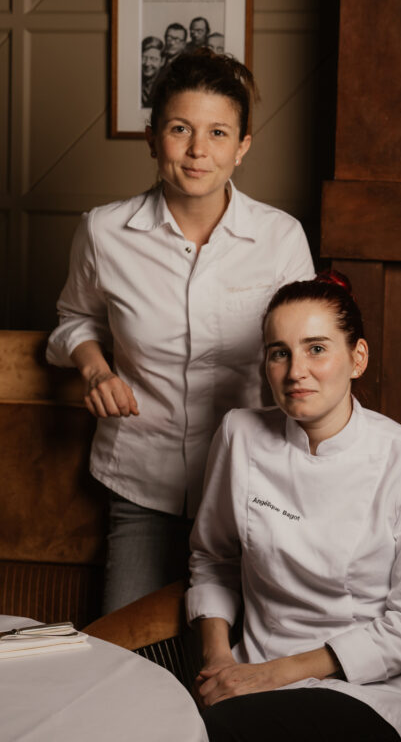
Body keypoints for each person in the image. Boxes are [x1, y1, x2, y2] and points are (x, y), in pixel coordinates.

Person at [46, 51, 314, 613]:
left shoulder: (281, 238)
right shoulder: (103, 232)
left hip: (255, 481)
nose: (198, 151)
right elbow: (75, 319)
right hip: (139, 478)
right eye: (179, 129)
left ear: (242, 146)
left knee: (243, 658)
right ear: (152, 138)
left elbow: (308, 353)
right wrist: (95, 367)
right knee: (127, 651)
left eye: (218, 133)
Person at [186, 272, 401, 742]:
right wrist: (218, 660)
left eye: (316, 348)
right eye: (279, 353)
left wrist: (273, 675)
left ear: (357, 358)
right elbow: (214, 559)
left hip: (364, 692)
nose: (295, 372)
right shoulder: (239, 433)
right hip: (246, 676)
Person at [141, 36, 164, 108]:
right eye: (143, 58)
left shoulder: (166, 83)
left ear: (162, 61)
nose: (147, 63)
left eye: (153, 59)